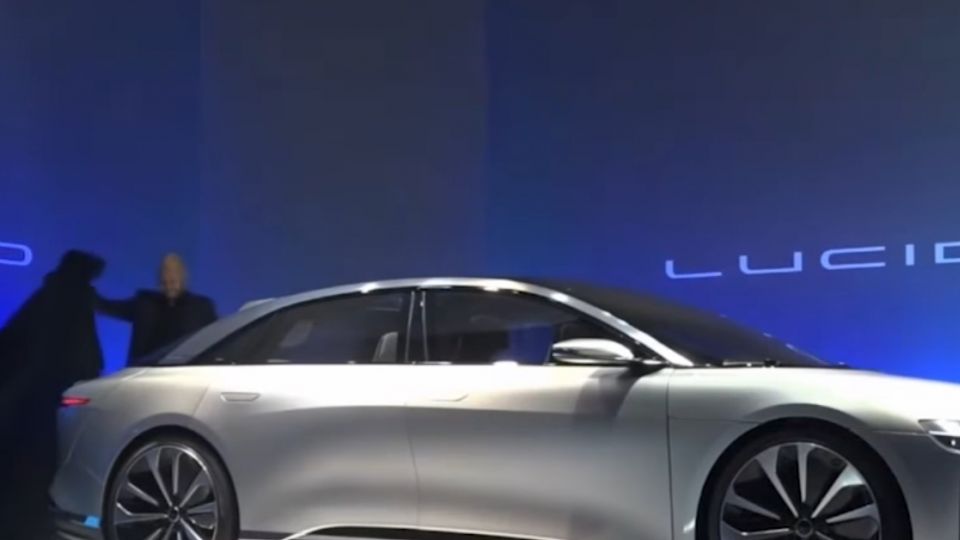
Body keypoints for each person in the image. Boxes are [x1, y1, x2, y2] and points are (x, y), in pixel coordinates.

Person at [0, 249, 106, 539]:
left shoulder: (48, 294)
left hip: (30, 395)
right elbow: (86, 350)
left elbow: (15, 335)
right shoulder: (77, 297)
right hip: (55, 395)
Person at [98, 253, 217, 365]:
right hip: (145, 373)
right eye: (165, 281)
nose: (169, 284)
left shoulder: (201, 308)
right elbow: (109, 306)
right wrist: (89, 293)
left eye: (173, 280)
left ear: (184, 277)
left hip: (185, 373)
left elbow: (217, 340)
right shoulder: (145, 304)